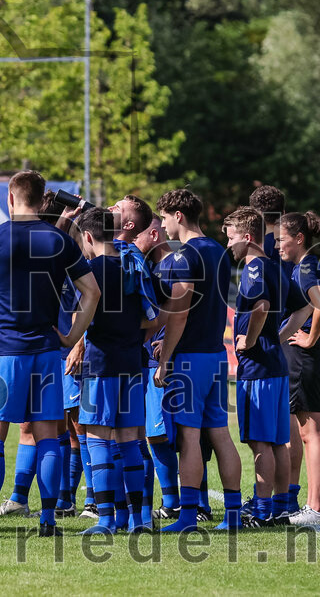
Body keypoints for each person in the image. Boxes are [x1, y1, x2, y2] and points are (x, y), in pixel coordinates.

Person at [0, 172, 99, 538]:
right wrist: (71, 336)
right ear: (41, 200)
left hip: (5, 352)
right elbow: (92, 293)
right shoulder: (59, 239)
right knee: (47, 436)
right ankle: (48, 519)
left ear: (10, 197)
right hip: (46, 352)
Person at [153, 189, 242, 532]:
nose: (162, 225)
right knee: (220, 434)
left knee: (189, 437)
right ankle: (232, 515)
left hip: (190, 359)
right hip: (216, 355)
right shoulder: (219, 251)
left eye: (163, 217)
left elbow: (179, 312)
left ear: (178, 214)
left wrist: (167, 357)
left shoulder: (186, 254)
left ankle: (188, 517)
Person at [223, 207, 311, 527]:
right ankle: (281, 506)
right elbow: (302, 309)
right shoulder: (276, 267)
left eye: (231, 238)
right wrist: (278, 335)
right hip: (275, 366)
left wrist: (249, 338)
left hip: (258, 368)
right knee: (276, 442)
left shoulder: (254, 269)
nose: (228, 245)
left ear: (247, 238)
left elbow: (260, 307)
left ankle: (261, 511)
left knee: (261, 442)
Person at [74, 208, 156, 534]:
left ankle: (106, 519)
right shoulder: (135, 264)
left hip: (100, 364)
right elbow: (153, 317)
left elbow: (78, 318)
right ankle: (138, 520)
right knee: (129, 441)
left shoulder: (88, 270)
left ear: (89, 237)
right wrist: (129, 333)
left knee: (97, 439)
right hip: (133, 364)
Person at [278, 211, 320, 525]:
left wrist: (311, 338)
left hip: (305, 357)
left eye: (282, 239)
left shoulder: (304, 268)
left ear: (299, 238)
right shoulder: (309, 264)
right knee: (308, 432)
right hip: (306, 356)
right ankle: (313, 507)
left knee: (311, 433)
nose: (278, 245)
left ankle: (316, 509)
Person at [134, 218, 180, 521]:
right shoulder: (151, 267)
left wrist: (165, 343)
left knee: (160, 435)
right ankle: (169, 502)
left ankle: (177, 501)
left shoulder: (173, 265)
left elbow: (181, 308)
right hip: (152, 360)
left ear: (153, 234)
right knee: (156, 434)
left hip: (162, 362)